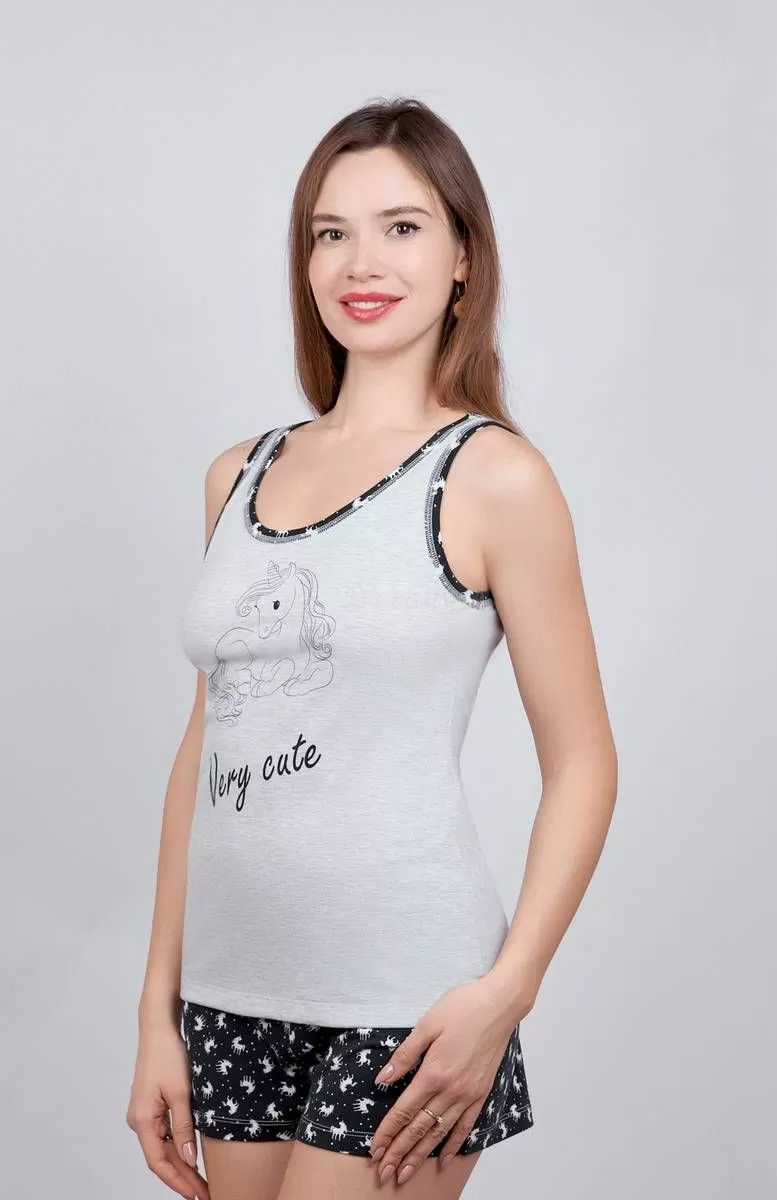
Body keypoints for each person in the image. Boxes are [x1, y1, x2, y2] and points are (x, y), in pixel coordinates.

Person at [126, 96, 618, 1200]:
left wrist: (508, 991)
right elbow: (204, 753)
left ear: (462, 255)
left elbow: (584, 761)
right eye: (330, 231)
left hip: (412, 998)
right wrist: (157, 1010)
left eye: (401, 226)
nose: (362, 261)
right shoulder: (237, 474)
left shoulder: (494, 477)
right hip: (230, 992)